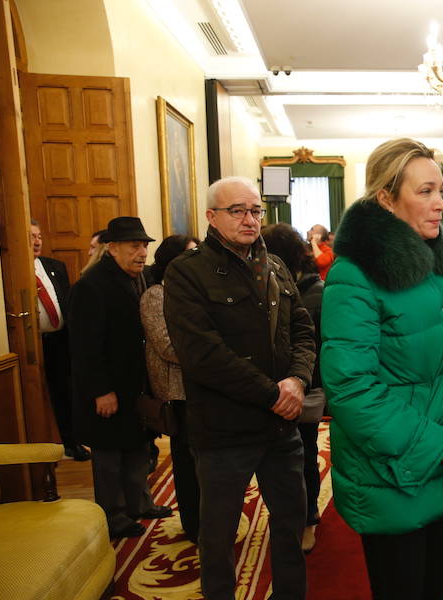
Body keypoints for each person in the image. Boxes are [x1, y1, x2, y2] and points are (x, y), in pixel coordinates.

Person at [321, 138, 443, 600]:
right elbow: (352, 390)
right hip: (393, 473)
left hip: (441, 466)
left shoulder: (433, 264)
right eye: (425, 192)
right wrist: (441, 446)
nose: (439, 204)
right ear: (386, 198)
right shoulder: (354, 275)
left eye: (441, 191)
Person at [164, 176, 316, 600]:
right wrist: (274, 394)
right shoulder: (186, 272)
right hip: (223, 432)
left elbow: (303, 331)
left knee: (291, 528)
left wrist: (298, 380)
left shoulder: (277, 266)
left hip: (281, 430)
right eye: (238, 211)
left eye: (255, 211)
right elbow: (202, 356)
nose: (250, 219)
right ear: (212, 217)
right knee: (218, 540)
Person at [67, 216, 172, 539]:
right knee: (110, 456)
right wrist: (101, 391)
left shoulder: (141, 278)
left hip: (135, 386)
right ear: (112, 248)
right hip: (108, 388)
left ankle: (140, 503)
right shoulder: (91, 285)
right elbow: (85, 348)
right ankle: (113, 517)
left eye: (144, 246)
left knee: (138, 448)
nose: (142, 253)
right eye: (134, 246)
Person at [263, 222, 326, 553]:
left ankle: (307, 519)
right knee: (283, 458)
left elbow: (317, 344)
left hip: (306, 389)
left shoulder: (314, 294)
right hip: (274, 390)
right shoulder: (272, 286)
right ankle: (290, 515)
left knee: (303, 455)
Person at [139, 234, 200, 542]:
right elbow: (165, 345)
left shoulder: (192, 291)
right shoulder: (156, 295)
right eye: (191, 254)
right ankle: (194, 524)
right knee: (188, 461)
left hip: (202, 384)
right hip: (178, 389)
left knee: (206, 458)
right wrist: (209, 354)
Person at [30, 219, 90, 461]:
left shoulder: (54, 266)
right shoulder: (13, 270)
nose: (36, 241)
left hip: (60, 340)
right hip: (33, 343)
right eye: (31, 236)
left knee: (66, 391)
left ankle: (72, 441)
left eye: (39, 236)